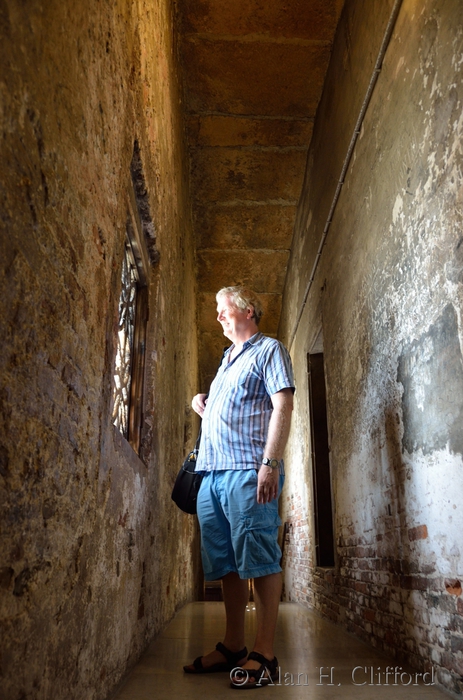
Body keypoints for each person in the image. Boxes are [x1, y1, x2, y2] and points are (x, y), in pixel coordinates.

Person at [183, 286, 294, 689]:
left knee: (260, 555)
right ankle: (233, 646)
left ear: (247, 310)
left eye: (222, 308)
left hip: (249, 470)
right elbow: (233, 409)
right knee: (224, 563)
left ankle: (265, 654)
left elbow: (282, 405)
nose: (217, 316)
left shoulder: (270, 350)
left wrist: (271, 463)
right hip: (212, 475)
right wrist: (204, 405)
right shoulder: (228, 359)